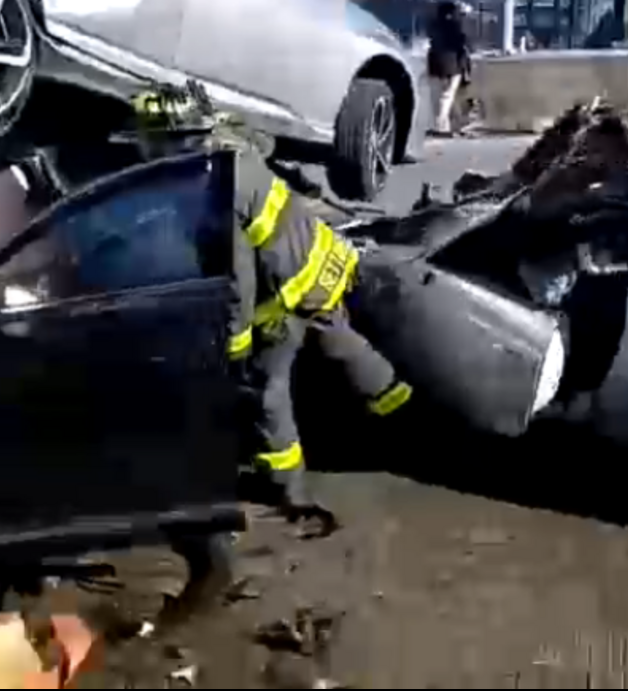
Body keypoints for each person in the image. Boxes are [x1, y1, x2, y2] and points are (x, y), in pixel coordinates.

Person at [130, 83, 415, 534]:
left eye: (151, 141)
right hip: (319, 259)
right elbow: (265, 145)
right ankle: (399, 410)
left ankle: (288, 487)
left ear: (175, 139)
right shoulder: (232, 142)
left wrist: (236, 346)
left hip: (286, 290)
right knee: (339, 337)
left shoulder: (213, 192)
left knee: (267, 388)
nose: (146, 151)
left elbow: (236, 283)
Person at [425, 0, 473, 135]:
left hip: (434, 63)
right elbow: (463, 45)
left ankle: (452, 124)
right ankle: (442, 126)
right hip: (452, 65)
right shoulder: (455, 26)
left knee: (438, 96)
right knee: (447, 96)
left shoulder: (433, 25)